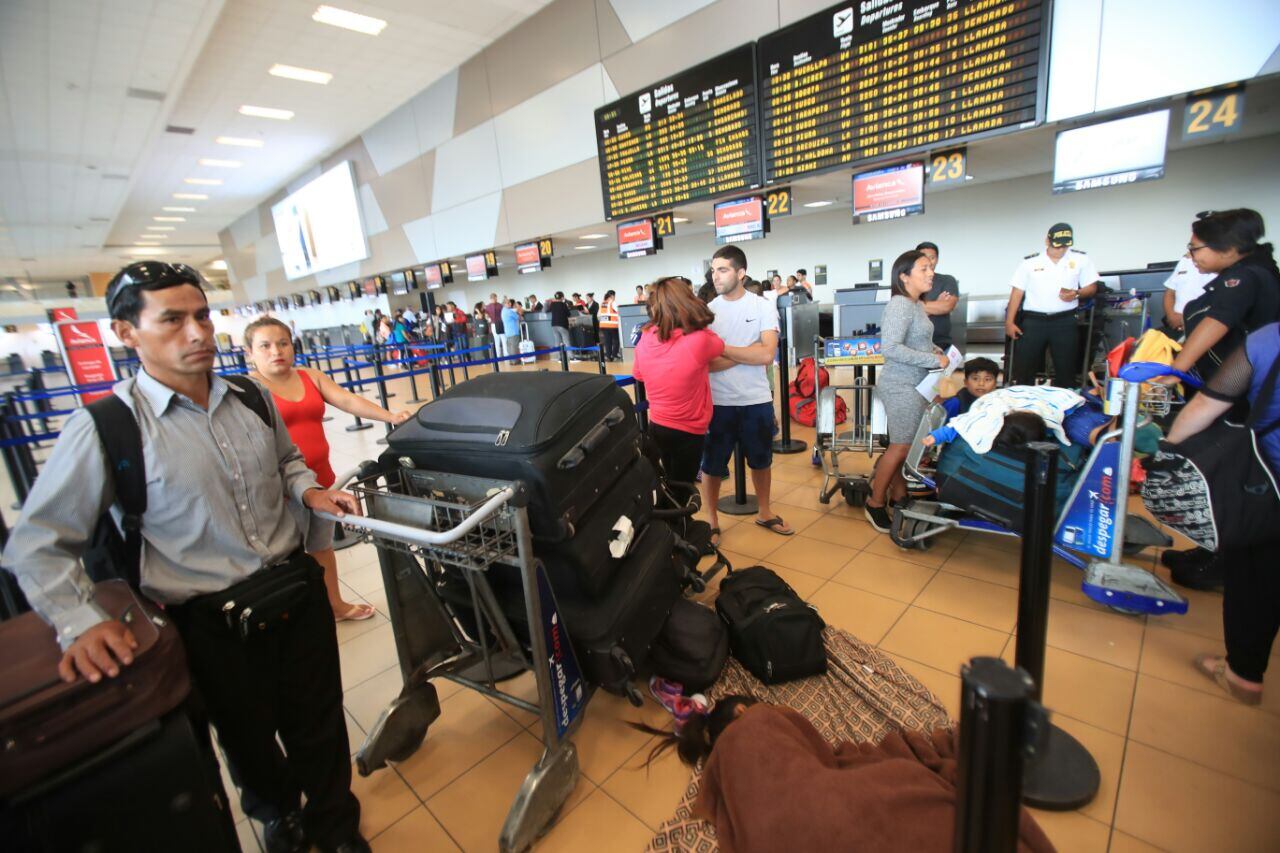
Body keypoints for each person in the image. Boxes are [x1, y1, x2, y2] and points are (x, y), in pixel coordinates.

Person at [1, 262, 369, 852]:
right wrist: (81, 622)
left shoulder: (250, 397)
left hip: (293, 589)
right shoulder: (107, 427)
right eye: (171, 320)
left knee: (320, 723)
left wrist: (310, 491)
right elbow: (38, 542)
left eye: (201, 315)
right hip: (207, 620)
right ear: (127, 333)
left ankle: (337, 826)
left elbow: (287, 463)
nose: (197, 332)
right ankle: (283, 818)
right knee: (246, 739)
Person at [244, 317, 410, 622]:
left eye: (282, 343)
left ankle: (334, 604)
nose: (275, 351)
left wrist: (390, 416)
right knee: (287, 556)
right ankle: (298, 615)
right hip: (282, 489)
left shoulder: (309, 376)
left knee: (321, 546)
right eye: (264, 346)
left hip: (321, 479)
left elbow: (346, 400)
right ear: (249, 353)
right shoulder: (250, 389)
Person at [1159, 209, 1280, 588]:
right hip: (1237, 390)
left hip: (1241, 395)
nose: (1192, 255)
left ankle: (1226, 557)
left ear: (1228, 248)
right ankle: (1214, 546)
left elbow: (1217, 324)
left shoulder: (1245, 277)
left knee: (1232, 470)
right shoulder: (1248, 272)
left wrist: (1177, 368)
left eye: (1196, 248)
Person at [1164, 322, 1280, 703]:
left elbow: (1206, 404)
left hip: (1268, 482)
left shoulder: (1268, 339)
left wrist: (1168, 451)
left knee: (1257, 577)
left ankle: (1242, 674)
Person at [702, 245, 793, 544]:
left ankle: (764, 512)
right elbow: (707, 363)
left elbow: (768, 354)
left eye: (723, 269)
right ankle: (710, 520)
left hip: (756, 400)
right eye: (714, 270)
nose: (716, 275)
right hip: (719, 402)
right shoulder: (708, 312)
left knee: (761, 461)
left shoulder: (762, 306)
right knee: (713, 464)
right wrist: (748, 351)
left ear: (740, 273)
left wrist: (725, 349)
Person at [865, 250, 950, 532]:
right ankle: (875, 503)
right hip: (901, 385)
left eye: (931, 268)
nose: (931, 273)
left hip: (916, 384)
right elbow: (889, 348)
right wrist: (932, 359)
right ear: (904, 276)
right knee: (901, 446)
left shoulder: (915, 305)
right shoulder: (900, 304)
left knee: (903, 445)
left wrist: (933, 350)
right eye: (923, 268)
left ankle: (899, 496)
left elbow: (913, 341)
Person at [632, 278, 726, 484]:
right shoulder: (698, 340)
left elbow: (638, 374)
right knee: (683, 488)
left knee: (668, 485)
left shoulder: (646, 337)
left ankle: (673, 516)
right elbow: (719, 345)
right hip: (689, 429)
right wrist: (694, 323)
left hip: (657, 425)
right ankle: (681, 517)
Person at [1005, 223, 1101, 387]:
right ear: (1047, 241)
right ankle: (1023, 405)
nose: (1061, 250)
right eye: (1057, 246)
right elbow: (1017, 292)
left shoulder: (1081, 260)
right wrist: (1009, 321)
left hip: (1065, 321)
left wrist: (1076, 293)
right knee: (1025, 367)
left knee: (1066, 368)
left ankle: (1063, 405)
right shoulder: (1030, 262)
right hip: (1033, 321)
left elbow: (1092, 287)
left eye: (1064, 246)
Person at [916, 241, 960, 349]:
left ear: (937, 259)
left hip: (941, 343)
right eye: (924, 258)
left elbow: (947, 306)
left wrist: (916, 306)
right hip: (914, 344)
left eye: (932, 258)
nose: (929, 262)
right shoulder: (910, 283)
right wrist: (937, 304)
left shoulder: (947, 280)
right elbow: (904, 313)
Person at [598, 290, 621, 361]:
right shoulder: (612, 302)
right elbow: (619, 312)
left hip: (603, 325)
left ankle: (608, 356)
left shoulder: (602, 303)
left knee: (607, 341)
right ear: (612, 296)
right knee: (616, 341)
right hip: (612, 326)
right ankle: (614, 355)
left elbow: (598, 315)